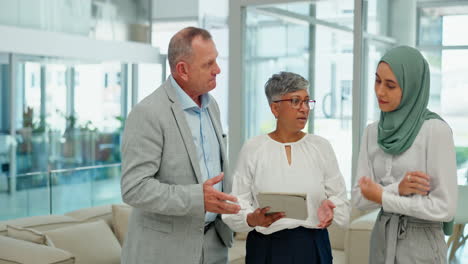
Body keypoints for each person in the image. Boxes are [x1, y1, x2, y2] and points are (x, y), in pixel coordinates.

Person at [120, 27, 241, 264]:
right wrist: (198, 198)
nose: (218, 70)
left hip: (214, 245)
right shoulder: (148, 113)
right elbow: (134, 188)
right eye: (209, 64)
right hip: (166, 253)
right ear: (182, 70)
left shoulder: (211, 106)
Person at [222, 72, 350, 264]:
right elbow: (235, 206)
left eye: (307, 101)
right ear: (275, 108)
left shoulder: (321, 147)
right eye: (296, 101)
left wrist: (332, 211)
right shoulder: (253, 149)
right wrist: (251, 218)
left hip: (313, 246)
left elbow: (341, 203)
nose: (304, 109)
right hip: (266, 248)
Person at [352, 46, 458, 264]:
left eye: (390, 85)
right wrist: (395, 190)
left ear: (412, 87)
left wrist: (383, 197)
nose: (380, 92)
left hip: (422, 242)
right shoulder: (372, 132)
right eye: (377, 81)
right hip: (382, 237)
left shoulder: (435, 131)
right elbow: (359, 198)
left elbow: (444, 208)